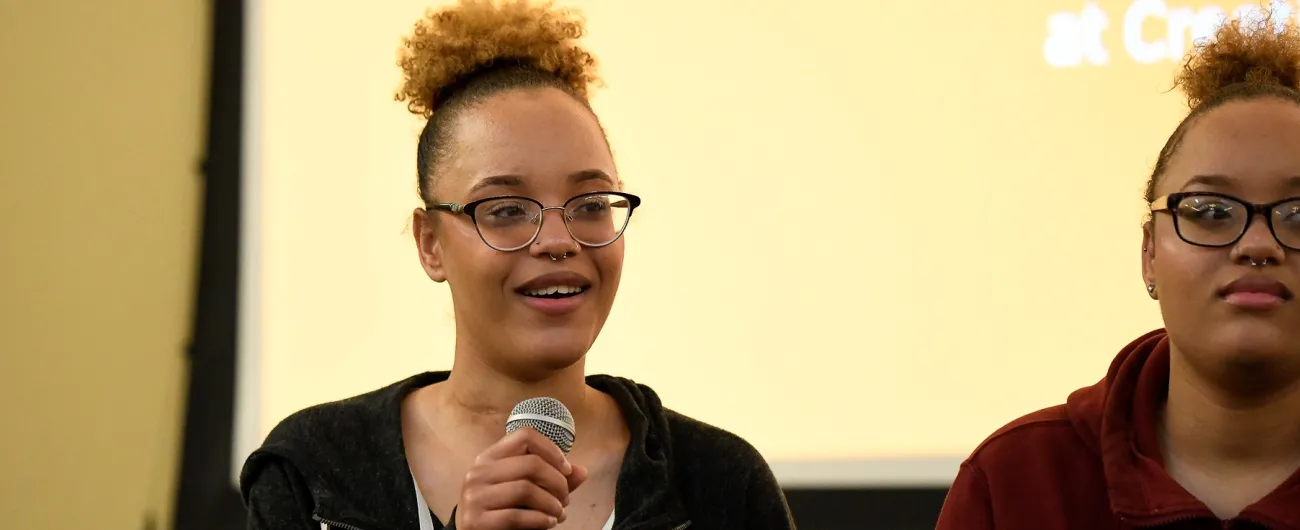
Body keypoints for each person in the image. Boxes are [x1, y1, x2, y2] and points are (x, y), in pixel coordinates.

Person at [238, 1, 797, 529]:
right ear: (430, 243)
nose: (558, 240)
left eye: (591, 204)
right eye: (505, 210)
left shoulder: (718, 485)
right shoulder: (315, 473)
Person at [936, 13, 1300, 530]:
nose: (1258, 244)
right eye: (1211, 212)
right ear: (1149, 253)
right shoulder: (1014, 481)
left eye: (1299, 214)